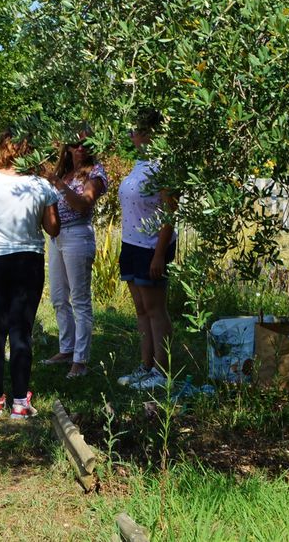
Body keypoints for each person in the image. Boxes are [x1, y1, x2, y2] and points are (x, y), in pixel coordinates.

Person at [0, 130, 60, 419]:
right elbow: (53, 228)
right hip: (28, 262)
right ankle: (20, 402)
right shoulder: (41, 185)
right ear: (30, 151)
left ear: (2, 150)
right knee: (21, 331)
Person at [116, 108, 178, 391]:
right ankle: (146, 366)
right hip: (131, 245)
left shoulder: (163, 165)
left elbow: (170, 212)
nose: (131, 135)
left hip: (152, 247)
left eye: (135, 130)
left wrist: (159, 254)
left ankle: (162, 371)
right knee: (141, 310)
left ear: (150, 133)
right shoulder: (140, 163)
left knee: (156, 310)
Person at [42, 127, 108, 378]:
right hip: (57, 237)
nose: (80, 148)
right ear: (67, 148)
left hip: (78, 235)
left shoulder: (96, 172)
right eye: (74, 144)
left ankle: (81, 360)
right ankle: (67, 349)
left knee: (80, 299)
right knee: (59, 297)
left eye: (85, 144)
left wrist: (57, 184)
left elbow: (83, 204)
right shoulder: (64, 173)